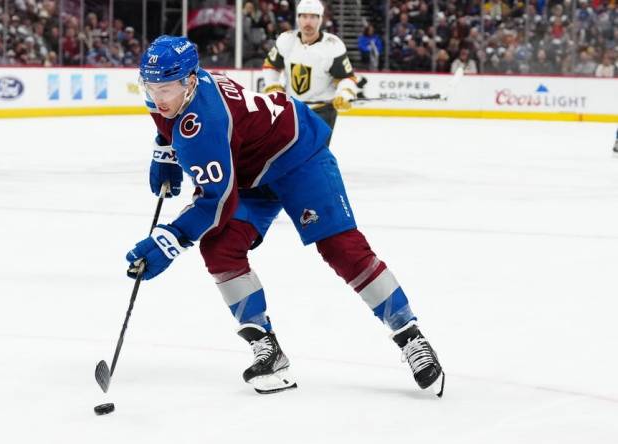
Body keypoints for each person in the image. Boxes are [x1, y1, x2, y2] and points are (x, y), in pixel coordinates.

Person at [127, 35, 445, 396]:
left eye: (165, 88)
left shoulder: (205, 121)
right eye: (149, 87)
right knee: (220, 248)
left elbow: (217, 202)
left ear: (190, 80)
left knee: (341, 247)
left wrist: (169, 240)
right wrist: (164, 152)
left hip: (297, 153)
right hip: (251, 170)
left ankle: (409, 335)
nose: (156, 98)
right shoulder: (173, 96)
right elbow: (167, 122)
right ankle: (267, 349)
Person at [261, 0, 366, 145]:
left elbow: (346, 78)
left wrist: (344, 93)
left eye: (313, 17)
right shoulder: (286, 40)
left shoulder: (332, 46)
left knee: (316, 156)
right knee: (286, 152)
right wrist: (273, 85)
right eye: (304, 16)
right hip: (291, 108)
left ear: (320, 19)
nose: (308, 21)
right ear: (298, 18)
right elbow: (271, 67)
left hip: (322, 111)